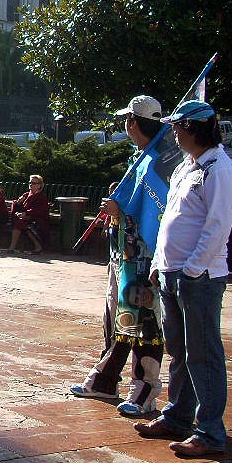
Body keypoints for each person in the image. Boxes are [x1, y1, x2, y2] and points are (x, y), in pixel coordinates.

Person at [133, 100, 232, 458]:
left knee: (203, 354)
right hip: (171, 271)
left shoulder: (219, 170)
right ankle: (178, 416)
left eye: (178, 127)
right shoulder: (187, 166)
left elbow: (216, 228)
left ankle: (210, 431)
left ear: (193, 129)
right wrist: (161, 262)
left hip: (199, 276)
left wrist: (192, 269)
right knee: (179, 350)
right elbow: (171, 219)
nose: (174, 132)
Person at [71, 95, 170, 415]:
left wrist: (120, 209)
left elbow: (157, 209)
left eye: (129, 119)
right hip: (122, 256)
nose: (126, 125)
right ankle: (106, 378)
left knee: (144, 323)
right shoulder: (138, 159)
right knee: (116, 318)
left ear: (137, 122)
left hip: (143, 259)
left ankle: (145, 388)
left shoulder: (158, 162)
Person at [6, 174, 50, 253]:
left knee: (23, 224)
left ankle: (38, 246)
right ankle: (12, 247)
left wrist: (26, 213)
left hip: (37, 220)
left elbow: (39, 210)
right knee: (18, 221)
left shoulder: (41, 197)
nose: (31, 185)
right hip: (26, 218)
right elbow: (16, 207)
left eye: (34, 183)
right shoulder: (26, 195)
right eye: (30, 182)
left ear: (39, 185)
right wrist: (17, 203)